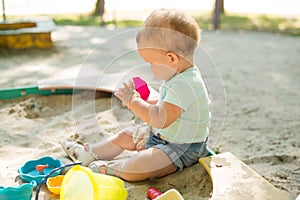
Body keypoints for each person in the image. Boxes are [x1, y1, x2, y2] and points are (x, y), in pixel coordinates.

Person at [61, 8, 211, 182]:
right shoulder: (177, 75)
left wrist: (133, 101)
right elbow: (165, 106)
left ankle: (113, 168)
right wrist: (147, 97)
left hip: (181, 149)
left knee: (141, 165)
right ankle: (89, 153)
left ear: (171, 58)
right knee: (126, 135)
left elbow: (159, 118)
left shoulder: (186, 85)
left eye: (151, 62)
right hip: (162, 137)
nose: (150, 67)